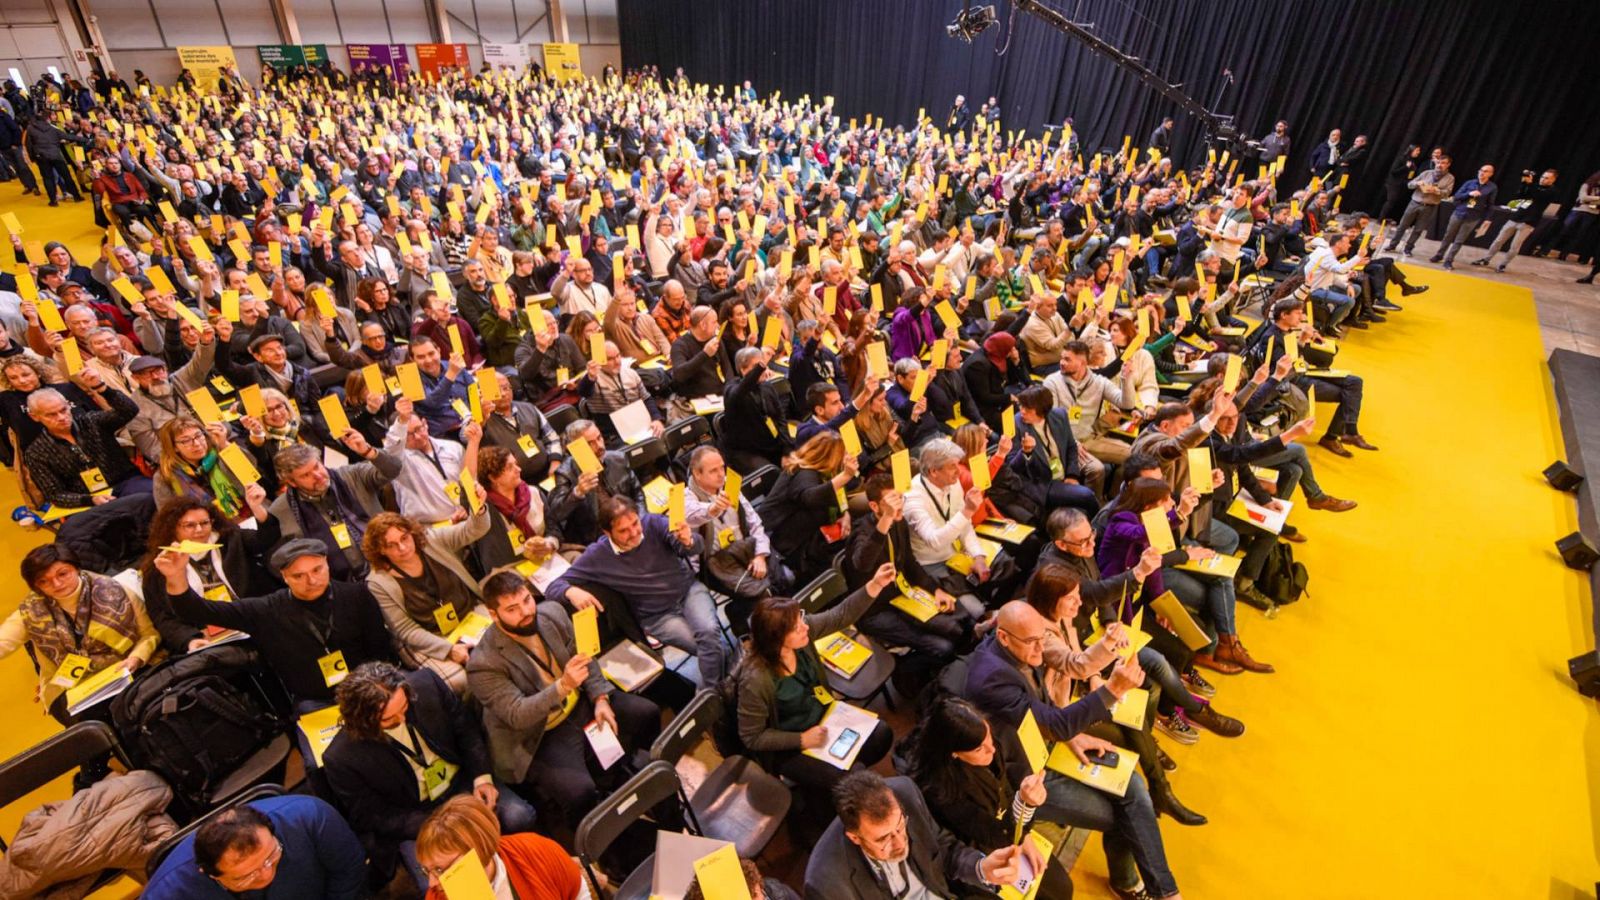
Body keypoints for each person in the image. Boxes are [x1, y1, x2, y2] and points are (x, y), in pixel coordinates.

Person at [964, 601, 1181, 900]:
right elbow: (1049, 720)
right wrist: (1112, 690)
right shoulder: (991, 678)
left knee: (1132, 784)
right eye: (1032, 641)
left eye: (1044, 638)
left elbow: (1041, 708)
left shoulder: (1019, 651)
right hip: (1023, 780)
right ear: (1003, 637)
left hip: (1045, 748)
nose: (1041, 649)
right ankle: (1138, 886)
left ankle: (1159, 890)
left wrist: (1072, 738)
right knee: (1126, 817)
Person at [467, 570, 662, 829]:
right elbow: (517, 713)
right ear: (493, 614)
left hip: (579, 703)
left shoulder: (551, 613)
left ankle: (622, 775)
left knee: (647, 712)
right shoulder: (482, 663)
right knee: (579, 791)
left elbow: (584, 657)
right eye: (512, 609)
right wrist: (564, 685)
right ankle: (599, 839)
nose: (526, 611)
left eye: (527, 600)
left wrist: (600, 698)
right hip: (540, 732)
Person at [322, 662, 537, 886]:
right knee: (442, 884)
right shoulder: (341, 757)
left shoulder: (427, 684)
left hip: (462, 784)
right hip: (416, 816)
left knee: (519, 816)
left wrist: (482, 778)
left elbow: (467, 732)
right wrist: (443, 823)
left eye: (404, 708)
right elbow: (374, 815)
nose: (402, 720)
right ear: (362, 720)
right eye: (389, 719)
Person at [159, 537, 396, 708]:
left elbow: (379, 648)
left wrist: (375, 689)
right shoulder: (266, 610)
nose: (311, 580)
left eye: (317, 569)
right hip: (315, 700)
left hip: (368, 685)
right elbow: (197, 610)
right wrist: (175, 577)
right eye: (298, 576)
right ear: (284, 577)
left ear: (327, 563)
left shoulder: (356, 595)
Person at [735, 563, 899, 799]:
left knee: (881, 735)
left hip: (826, 720)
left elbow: (840, 615)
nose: (804, 626)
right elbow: (752, 737)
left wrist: (875, 585)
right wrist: (801, 739)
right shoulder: (756, 680)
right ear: (777, 639)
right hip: (792, 744)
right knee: (854, 779)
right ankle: (836, 783)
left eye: (801, 617)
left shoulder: (803, 636)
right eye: (796, 626)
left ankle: (838, 780)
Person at [546, 496, 728, 687]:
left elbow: (695, 548)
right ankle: (721, 692)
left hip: (688, 592)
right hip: (658, 616)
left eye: (635, 523)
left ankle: (711, 694)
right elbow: (553, 587)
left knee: (709, 633)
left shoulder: (653, 522)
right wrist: (571, 591)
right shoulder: (598, 555)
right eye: (623, 530)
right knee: (712, 646)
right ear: (607, 533)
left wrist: (689, 540)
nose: (634, 532)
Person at [803, 770, 1042, 900]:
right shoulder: (826, 884)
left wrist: (982, 867)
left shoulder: (905, 792)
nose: (899, 843)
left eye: (900, 826)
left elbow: (943, 849)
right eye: (883, 839)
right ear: (854, 837)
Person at [0, 543, 159, 723]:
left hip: (124, 668)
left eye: (63, 574)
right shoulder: (31, 611)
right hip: (66, 686)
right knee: (90, 724)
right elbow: (3, 641)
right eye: (44, 581)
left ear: (76, 568)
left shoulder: (114, 589)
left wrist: (136, 658)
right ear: (35, 586)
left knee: (135, 708)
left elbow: (149, 634)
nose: (56, 584)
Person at [363, 508, 491, 692]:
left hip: (469, 614)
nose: (402, 548)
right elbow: (406, 630)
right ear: (380, 550)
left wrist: (479, 509)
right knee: (459, 682)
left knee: (506, 639)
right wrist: (448, 649)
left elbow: (474, 529)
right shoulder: (378, 582)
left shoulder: (431, 541)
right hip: (430, 638)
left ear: (411, 533)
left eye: (404, 538)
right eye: (391, 545)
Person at [142, 795, 366, 900]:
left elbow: (348, 869)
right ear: (209, 873)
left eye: (272, 856)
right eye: (245, 877)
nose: (267, 875)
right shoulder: (168, 894)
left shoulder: (310, 817)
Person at [266, 434, 402, 579]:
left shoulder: (351, 475)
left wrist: (367, 451)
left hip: (391, 559)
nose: (318, 475)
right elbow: (279, 560)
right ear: (292, 482)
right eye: (306, 475)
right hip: (342, 583)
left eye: (317, 466)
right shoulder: (281, 510)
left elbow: (393, 470)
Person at [682, 445, 790, 624]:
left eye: (722, 468)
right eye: (713, 471)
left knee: (782, 580)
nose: (721, 474)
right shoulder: (686, 500)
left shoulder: (729, 487)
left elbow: (755, 523)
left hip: (746, 549)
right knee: (762, 595)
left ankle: (782, 625)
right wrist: (713, 508)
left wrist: (760, 555)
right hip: (717, 562)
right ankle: (743, 620)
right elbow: (695, 514)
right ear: (696, 474)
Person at [414, 795, 587, 900]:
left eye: (439, 869)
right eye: (426, 870)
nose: (432, 883)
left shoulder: (535, 849)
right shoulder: (438, 896)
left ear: (478, 850)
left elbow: (578, 892)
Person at [22, 383, 147, 507]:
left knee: (150, 498)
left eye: (63, 410)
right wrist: (90, 500)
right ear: (35, 416)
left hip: (126, 482)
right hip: (87, 499)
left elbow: (129, 410)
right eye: (51, 415)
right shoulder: (36, 452)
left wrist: (102, 388)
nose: (61, 417)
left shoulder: (91, 421)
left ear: (68, 405)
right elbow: (55, 494)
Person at [759, 430, 859, 584]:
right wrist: (845, 476)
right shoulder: (804, 473)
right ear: (830, 457)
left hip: (804, 536)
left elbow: (837, 495)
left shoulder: (825, 473)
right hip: (782, 541)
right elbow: (809, 497)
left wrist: (845, 514)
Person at [546, 418, 644, 547]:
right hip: (598, 538)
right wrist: (577, 493)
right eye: (590, 443)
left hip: (629, 523)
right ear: (575, 449)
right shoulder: (565, 473)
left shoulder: (618, 458)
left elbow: (638, 495)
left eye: (599, 438)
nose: (599, 446)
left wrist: (641, 520)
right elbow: (557, 514)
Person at [1473, 168, 1560, 272]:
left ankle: (1503, 264)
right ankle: (1486, 258)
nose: (1542, 179)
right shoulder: (1535, 186)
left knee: (1514, 246)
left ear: (1553, 180)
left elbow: (1538, 196)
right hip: (1517, 217)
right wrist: (1524, 183)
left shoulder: (1552, 191)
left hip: (1529, 221)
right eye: (1542, 177)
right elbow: (1520, 195)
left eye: (1546, 178)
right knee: (1498, 240)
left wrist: (1530, 184)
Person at [1385, 154, 1454, 257]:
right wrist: (1417, 183)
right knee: (1402, 226)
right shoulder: (1426, 173)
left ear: (1448, 165)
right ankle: (1392, 245)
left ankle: (1408, 248)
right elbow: (1410, 185)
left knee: (1418, 230)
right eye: (1438, 162)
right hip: (1415, 203)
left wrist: (1437, 190)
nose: (1440, 165)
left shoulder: (1450, 178)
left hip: (1430, 206)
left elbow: (1447, 193)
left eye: (1443, 163)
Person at [1433, 164, 1497, 269]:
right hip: (1459, 213)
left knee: (1459, 240)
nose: (1482, 172)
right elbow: (1457, 196)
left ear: (1490, 174)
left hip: (1473, 217)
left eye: (1485, 171)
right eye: (1481, 170)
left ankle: (1449, 260)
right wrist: (1469, 193)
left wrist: (1488, 218)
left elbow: (1490, 205)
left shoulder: (1492, 187)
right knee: (1448, 236)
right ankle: (1439, 255)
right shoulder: (1470, 183)